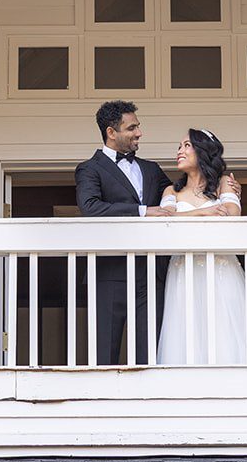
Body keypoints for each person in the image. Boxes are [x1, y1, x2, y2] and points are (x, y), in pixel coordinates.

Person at [74, 100, 176, 364]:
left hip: (152, 274)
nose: (139, 133)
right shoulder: (89, 169)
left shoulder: (151, 169)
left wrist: (222, 188)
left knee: (150, 354)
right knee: (103, 354)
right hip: (109, 273)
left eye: (138, 127)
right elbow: (90, 207)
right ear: (111, 132)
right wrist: (143, 211)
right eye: (132, 128)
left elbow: (176, 190)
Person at [156, 128, 247, 365]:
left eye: (187, 145)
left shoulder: (224, 183)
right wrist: (204, 211)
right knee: (186, 326)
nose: (180, 151)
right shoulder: (171, 191)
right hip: (183, 271)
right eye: (179, 146)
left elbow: (231, 214)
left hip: (221, 269)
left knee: (224, 324)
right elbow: (165, 220)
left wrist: (187, 216)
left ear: (203, 151)